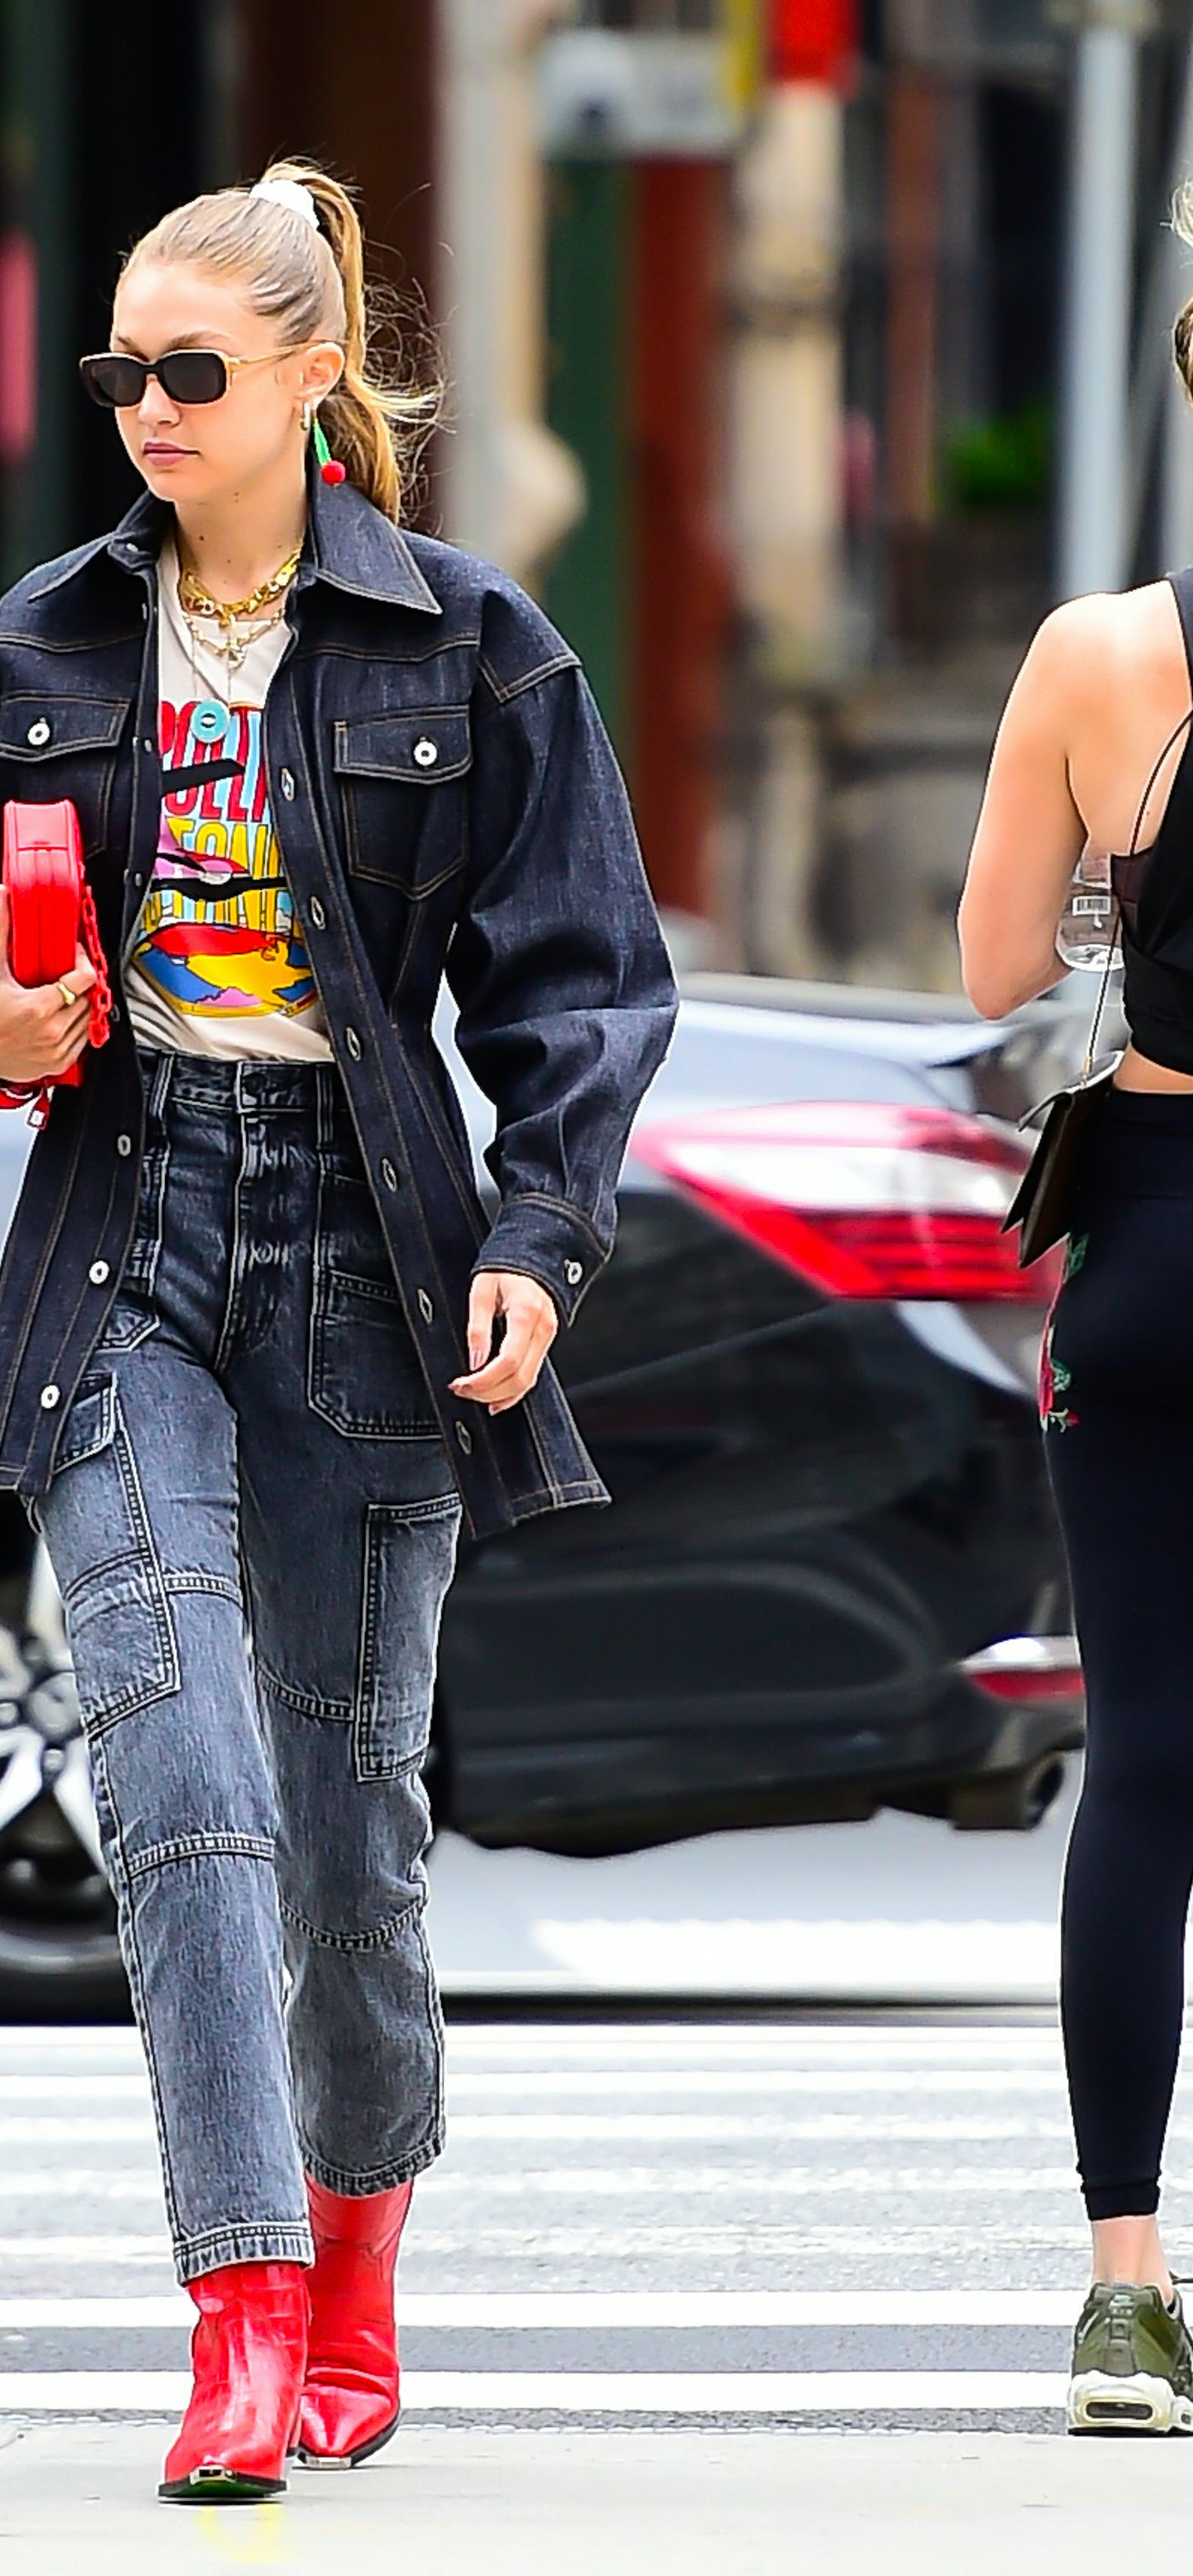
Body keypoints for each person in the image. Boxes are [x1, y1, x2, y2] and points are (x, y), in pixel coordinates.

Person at [0, 157, 678, 2501]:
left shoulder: (470, 645)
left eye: (191, 372)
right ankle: (234, 2314)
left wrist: (538, 1237)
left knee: (354, 1831)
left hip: (366, 1252)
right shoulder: (37, 653)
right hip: (125, 1234)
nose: (144, 409)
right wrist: (1, 1028)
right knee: (181, 1779)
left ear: (312, 374)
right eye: (118, 373)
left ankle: (356, 2265)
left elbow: (586, 989)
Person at [957, 180, 1193, 2439]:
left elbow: (993, 973)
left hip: (1149, 1260)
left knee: (1146, 1773)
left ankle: (1126, 2285)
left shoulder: (1098, 656)